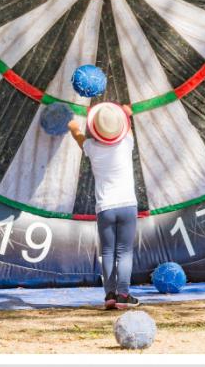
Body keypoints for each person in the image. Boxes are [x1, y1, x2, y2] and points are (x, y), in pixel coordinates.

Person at [67, 102, 140, 310]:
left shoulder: (91, 147)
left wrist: (73, 127)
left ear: (95, 128)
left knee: (107, 252)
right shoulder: (126, 142)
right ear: (121, 128)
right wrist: (127, 114)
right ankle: (124, 296)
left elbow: (78, 137)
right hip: (127, 205)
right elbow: (129, 129)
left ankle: (109, 295)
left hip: (105, 207)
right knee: (124, 252)